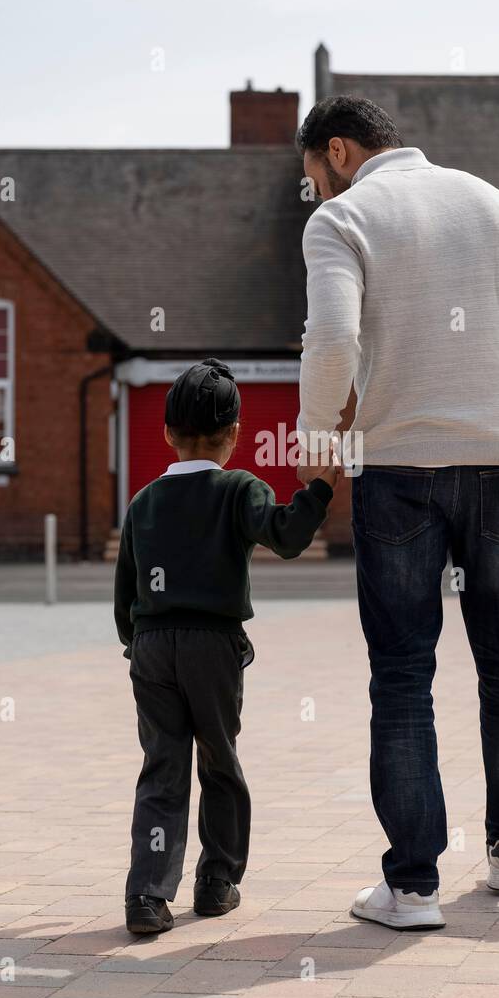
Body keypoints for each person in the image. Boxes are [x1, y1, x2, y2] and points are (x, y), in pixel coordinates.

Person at [295, 97, 499, 931]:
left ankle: (414, 888)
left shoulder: (344, 219)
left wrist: (314, 436)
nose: (314, 194)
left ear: (339, 151)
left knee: (403, 677)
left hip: (398, 471)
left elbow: (329, 343)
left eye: (311, 179)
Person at [115, 358, 338, 935]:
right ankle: (217, 882)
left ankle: (146, 894)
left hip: (153, 645)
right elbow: (287, 537)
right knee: (219, 759)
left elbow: (126, 592)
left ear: (166, 433)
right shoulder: (240, 489)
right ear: (234, 434)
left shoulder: (143, 502)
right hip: (213, 645)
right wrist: (319, 489)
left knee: (162, 767)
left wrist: (136, 648)